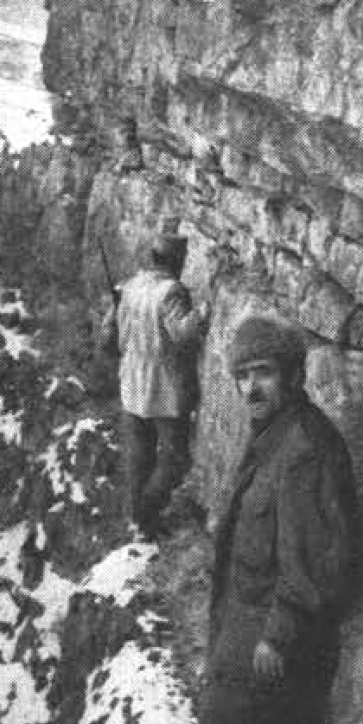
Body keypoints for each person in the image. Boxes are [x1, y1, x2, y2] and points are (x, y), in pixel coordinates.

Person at [198, 317, 359, 724]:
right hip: (245, 610)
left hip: (273, 625)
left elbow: (310, 556)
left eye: (262, 373)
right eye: (241, 375)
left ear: (291, 375)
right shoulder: (273, 433)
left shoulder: (302, 450)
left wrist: (280, 633)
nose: (250, 388)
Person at [96, 222, 208, 540]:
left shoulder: (129, 287)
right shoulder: (172, 291)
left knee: (139, 458)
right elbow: (181, 333)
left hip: (131, 386)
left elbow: (110, 336)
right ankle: (147, 513)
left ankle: (139, 523)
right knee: (175, 459)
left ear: (153, 257)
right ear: (177, 262)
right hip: (164, 391)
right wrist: (202, 313)